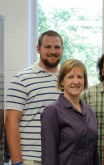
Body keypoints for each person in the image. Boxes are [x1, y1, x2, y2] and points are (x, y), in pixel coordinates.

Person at [4, 30, 64, 165]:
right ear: (38, 49)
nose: (52, 51)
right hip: (31, 159)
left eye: (57, 47)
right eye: (47, 47)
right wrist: (17, 162)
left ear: (62, 49)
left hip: (61, 158)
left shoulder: (68, 80)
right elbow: (10, 122)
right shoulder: (21, 79)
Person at [41, 59, 98, 165]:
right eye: (70, 77)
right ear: (62, 81)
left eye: (80, 77)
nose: (76, 81)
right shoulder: (52, 111)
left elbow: (94, 154)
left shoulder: (90, 112)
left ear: (84, 81)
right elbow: (49, 156)